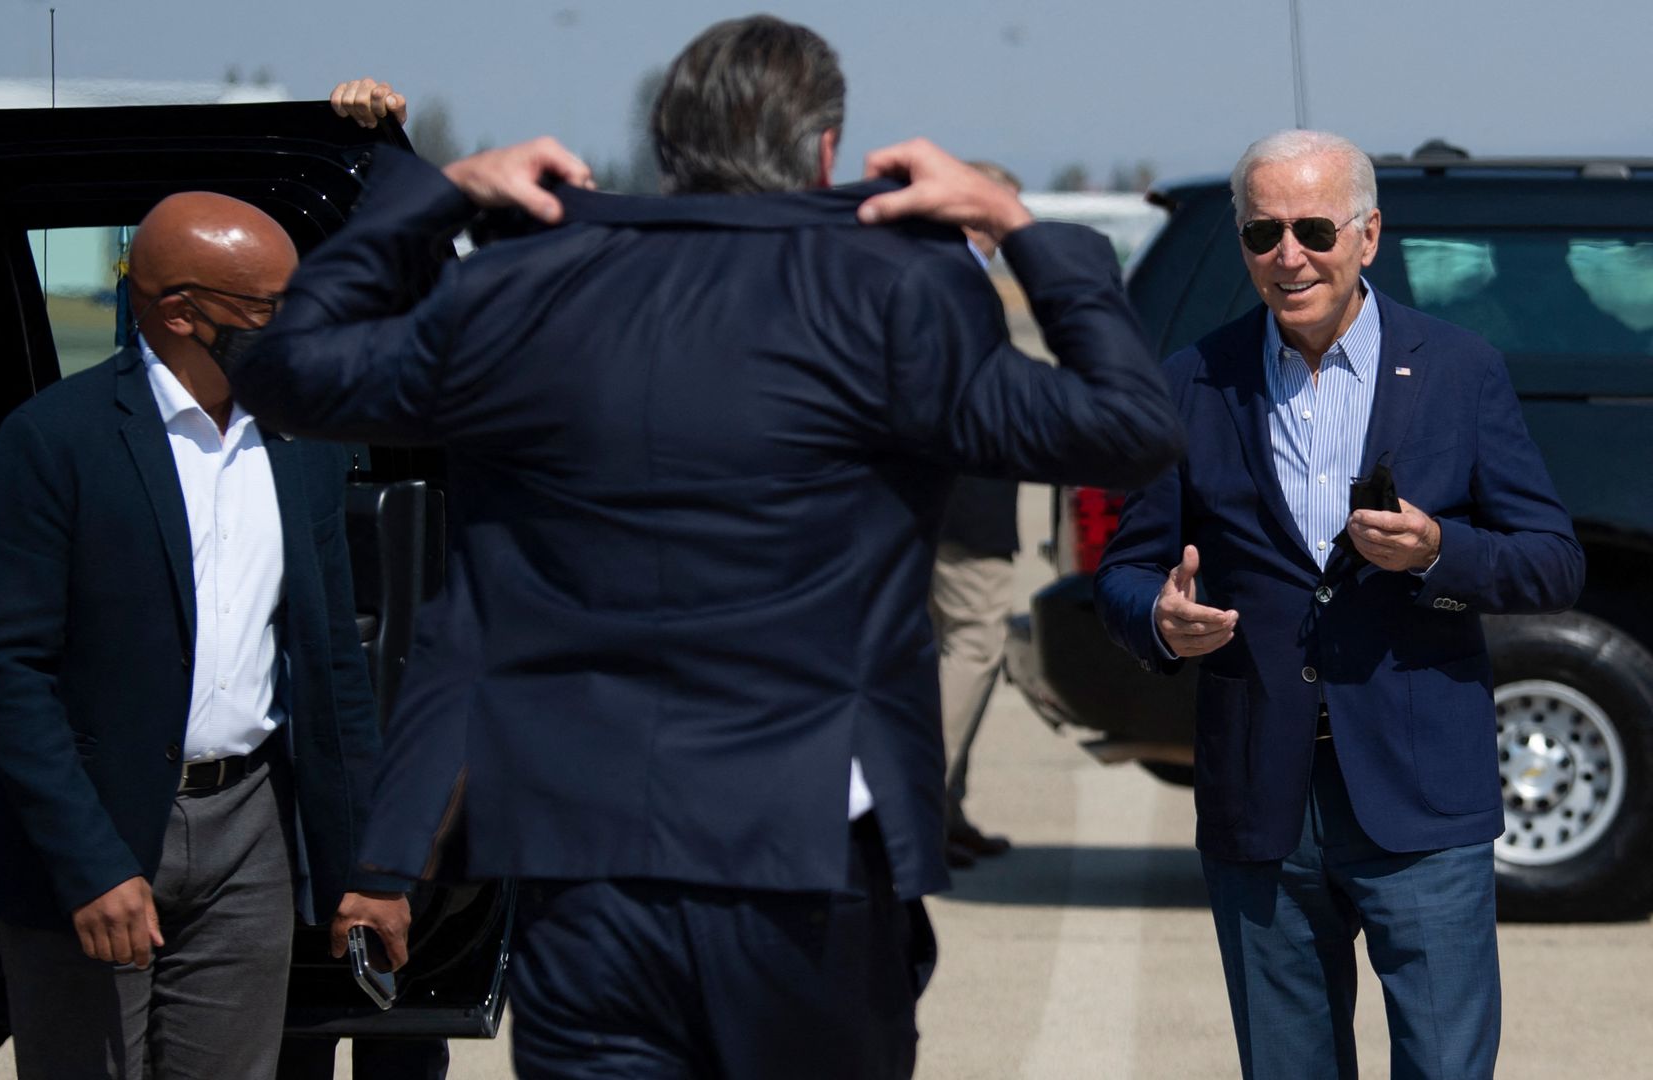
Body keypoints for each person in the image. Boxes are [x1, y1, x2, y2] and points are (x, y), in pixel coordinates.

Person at [227, 16, 1183, 1078]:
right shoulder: (891, 297)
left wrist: (440, 193)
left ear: (669, 147)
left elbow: (284, 370)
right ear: (824, 149)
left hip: (579, 862)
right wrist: (1010, 220)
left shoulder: (514, 294)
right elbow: (1130, 429)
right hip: (805, 854)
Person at [1093, 129, 1584, 1079]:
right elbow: (1122, 570)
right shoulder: (1191, 381)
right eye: (1262, 231)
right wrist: (1158, 617)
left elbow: (1553, 563)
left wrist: (1441, 549)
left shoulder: (1457, 368)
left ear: (1368, 235)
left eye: (1314, 228)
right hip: (1262, 801)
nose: (1289, 255)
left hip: (1421, 793)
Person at [0, 188, 413, 1079]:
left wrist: (370, 866)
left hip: (250, 831)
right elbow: (11, 673)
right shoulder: (54, 441)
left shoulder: (307, 443)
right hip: (93, 839)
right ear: (180, 313)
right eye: (271, 311)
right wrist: (91, 866)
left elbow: (331, 669)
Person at [933, 159, 1025, 868]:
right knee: (974, 644)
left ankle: (945, 808)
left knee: (944, 650)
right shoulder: (959, 280)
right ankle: (918, 803)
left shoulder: (930, 272)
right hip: (963, 500)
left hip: (937, 501)